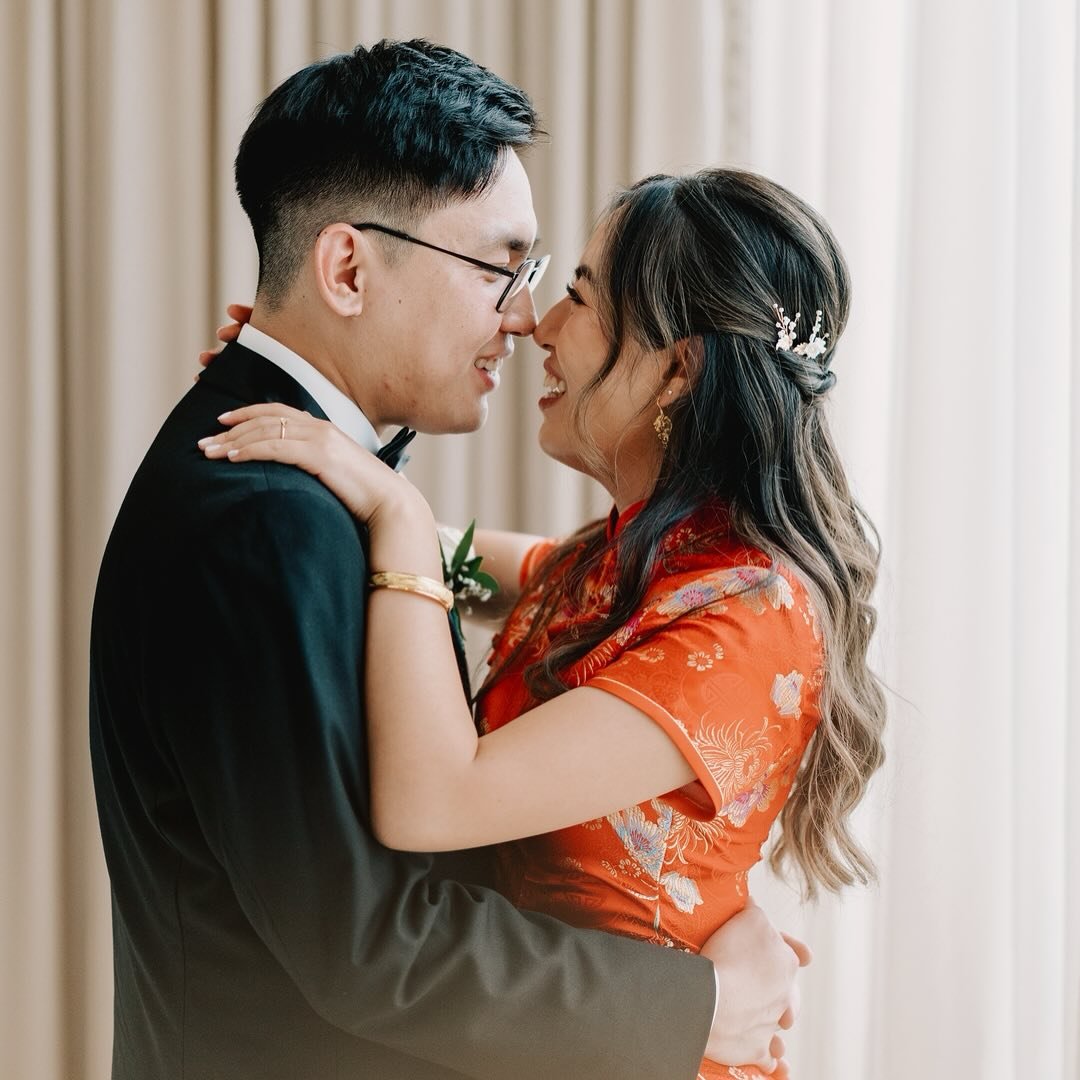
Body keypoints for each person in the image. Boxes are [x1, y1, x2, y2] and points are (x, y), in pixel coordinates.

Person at [90, 40, 805, 1080]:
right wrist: (691, 999)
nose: (527, 316)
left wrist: (711, 904)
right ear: (347, 267)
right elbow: (371, 947)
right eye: (498, 266)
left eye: (552, 280)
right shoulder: (267, 522)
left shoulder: (308, 489)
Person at [202, 166, 887, 1080]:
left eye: (578, 298)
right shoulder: (629, 557)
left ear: (677, 369)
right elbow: (450, 563)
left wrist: (396, 511)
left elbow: (431, 799)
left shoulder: (747, 619)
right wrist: (317, 388)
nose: (535, 326)